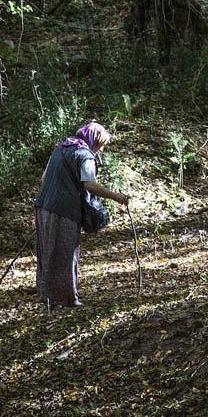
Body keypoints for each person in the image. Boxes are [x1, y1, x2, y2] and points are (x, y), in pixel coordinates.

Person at [33, 121, 130, 308]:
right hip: (65, 209)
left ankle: (47, 297)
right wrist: (116, 196)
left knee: (48, 252)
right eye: (101, 145)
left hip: (43, 207)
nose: (100, 150)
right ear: (94, 141)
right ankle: (67, 298)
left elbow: (45, 178)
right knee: (67, 252)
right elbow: (90, 185)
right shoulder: (85, 156)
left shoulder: (60, 148)